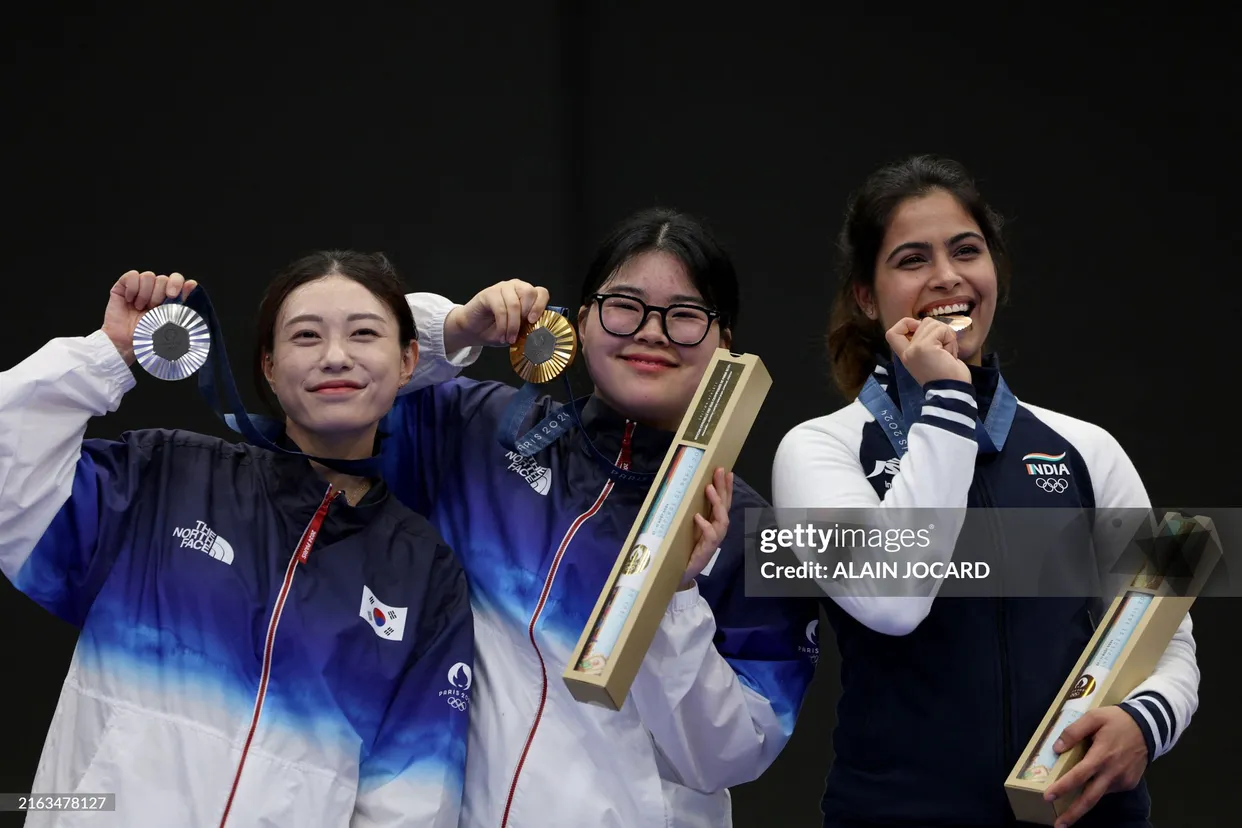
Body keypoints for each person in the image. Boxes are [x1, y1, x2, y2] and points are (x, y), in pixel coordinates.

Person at [771, 156, 1199, 828]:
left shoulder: (1087, 447)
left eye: (966, 250)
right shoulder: (819, 449)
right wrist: (947, 397)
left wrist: (1148, 722)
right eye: (912, 259)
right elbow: (893, 597)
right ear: (864, 295)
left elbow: (1166, 623)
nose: (947, 275)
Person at [380, 207, 820, 827]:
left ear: (726, 345)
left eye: (686, 315)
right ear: (581, 320)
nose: (651, 332)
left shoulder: (745, 527)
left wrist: (676, 596)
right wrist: (454, 329)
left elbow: (731, 756)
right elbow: (349, 387)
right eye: (624, 305)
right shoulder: (483, 432)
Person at [0, 253, 474, 828]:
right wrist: (107, 352)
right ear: (269, 367)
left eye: (364, 333)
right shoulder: (164, 475)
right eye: (305, 336)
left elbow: (412, 800)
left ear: (407, 362)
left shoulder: (424, 574)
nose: (334, 356)